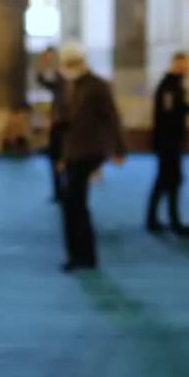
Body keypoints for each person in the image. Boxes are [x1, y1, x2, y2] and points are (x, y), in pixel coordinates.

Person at [56, 43, 125, 271]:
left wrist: (118, 148)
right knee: (74, 204)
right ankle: (82, 254)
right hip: (72, 150)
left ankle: (82, 255)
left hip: (89, 150)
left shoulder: (97, 86)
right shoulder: (67, 86)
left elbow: (111, 118)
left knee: (74, 203)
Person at [147, 52, 189, 233]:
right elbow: (169, 113)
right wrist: (188, 109)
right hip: (168, 142)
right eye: (183, 64)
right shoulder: (168, 86)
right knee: (168, 179)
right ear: (175, 63)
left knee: (168, 180)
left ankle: (161, 219)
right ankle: (166, 220)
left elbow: (175, 108)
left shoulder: (175, 85)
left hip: (171, 141)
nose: (186, 68)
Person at [36, 47, 66, 202]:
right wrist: (43, 64)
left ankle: (63, 191)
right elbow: (41, 79)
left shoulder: (65, 83)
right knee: (55, 160)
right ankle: (58, 191)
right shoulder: (58, 84)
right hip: (57, 127)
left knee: (62, 160)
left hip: (66, 127)